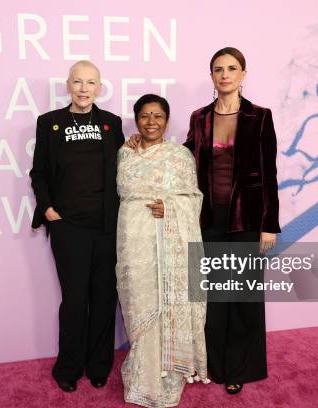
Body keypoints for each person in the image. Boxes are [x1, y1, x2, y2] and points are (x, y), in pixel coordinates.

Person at [126, 47, 281, 395]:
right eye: (218, 69)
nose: (224, 74)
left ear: (243, 74)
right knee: (211, 296)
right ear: (211, 76)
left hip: (246, 219)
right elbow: (181, 158)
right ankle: (213, 363)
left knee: (241, 295)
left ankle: (240, 367)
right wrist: (146, 142)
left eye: (231, 68)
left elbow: (269, 172)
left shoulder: (261, 116)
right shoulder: (200, 118)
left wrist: (269, 224)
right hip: (205, 218)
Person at [29, 60, 125, 392]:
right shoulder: (50, 123)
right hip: (68, 227)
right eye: (78, 82)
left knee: (103, 298)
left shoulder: (112, 124)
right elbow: (38, 173)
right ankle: (68, 368)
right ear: (68, 85)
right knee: (73, 299)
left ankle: (98, 365)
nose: (84, 89)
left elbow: (124, 172)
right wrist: (49, 209)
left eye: (91, 83)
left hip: (106, 228)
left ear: (99, 88)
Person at [116, 94, 208, 408]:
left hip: (170, 246)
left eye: (158, 116)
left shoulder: (180, 155)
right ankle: (143, 374)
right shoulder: (124, 154)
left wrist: (169, 206)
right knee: (139, 305)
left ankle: (168, 377)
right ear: (136, 120)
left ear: (166, 120)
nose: (151, 122)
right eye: (144, 116)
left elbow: (194, 198)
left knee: (167, 304)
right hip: (134, 240)